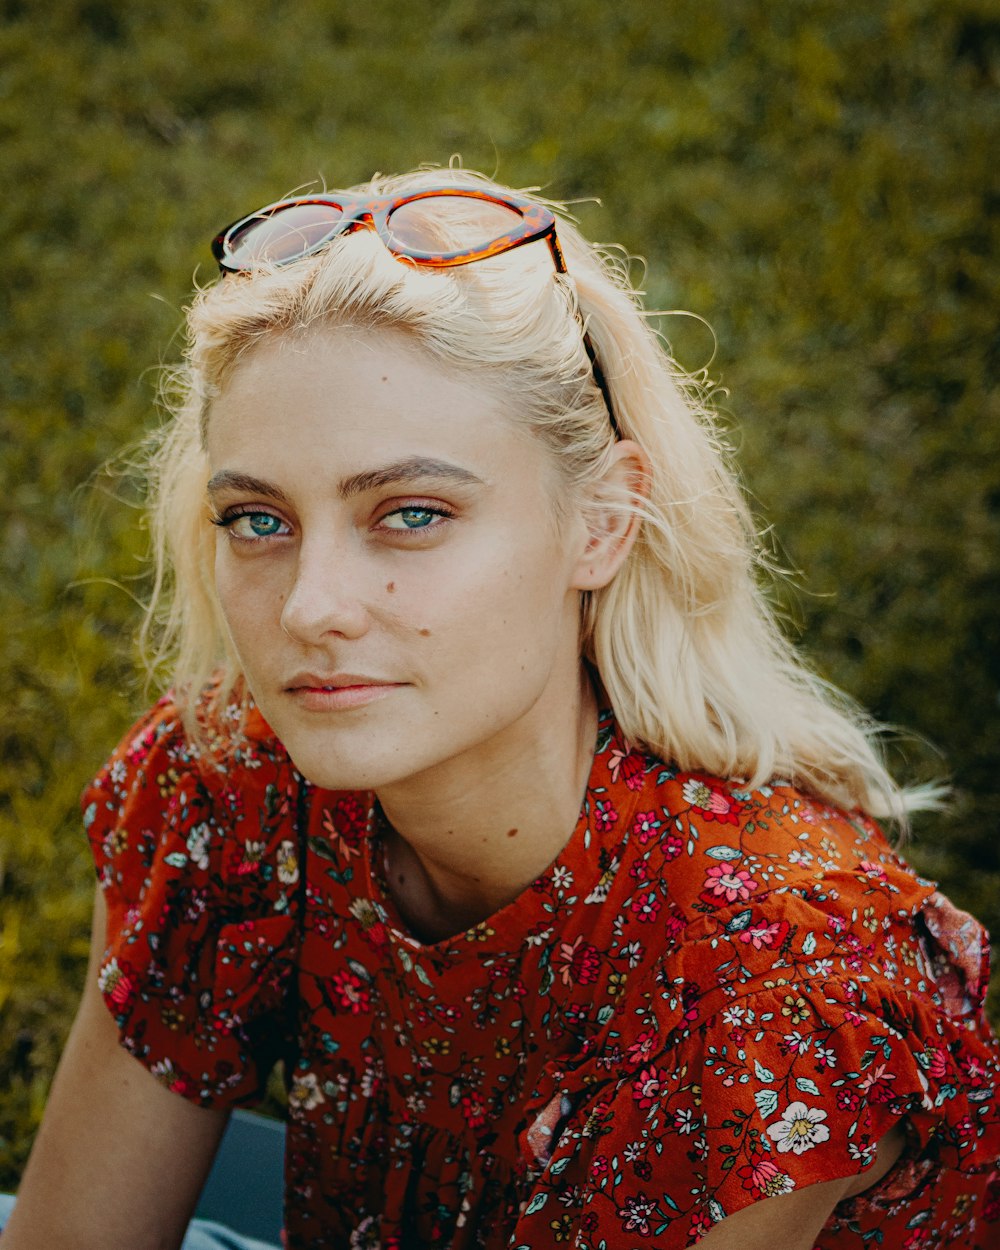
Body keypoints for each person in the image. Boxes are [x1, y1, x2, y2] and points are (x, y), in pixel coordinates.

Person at [3, 166, 998, 1250]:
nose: (311, 606)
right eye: (257, 518)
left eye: (412, 512)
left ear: (602, 522)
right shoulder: (227, 786)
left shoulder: (766, 979)